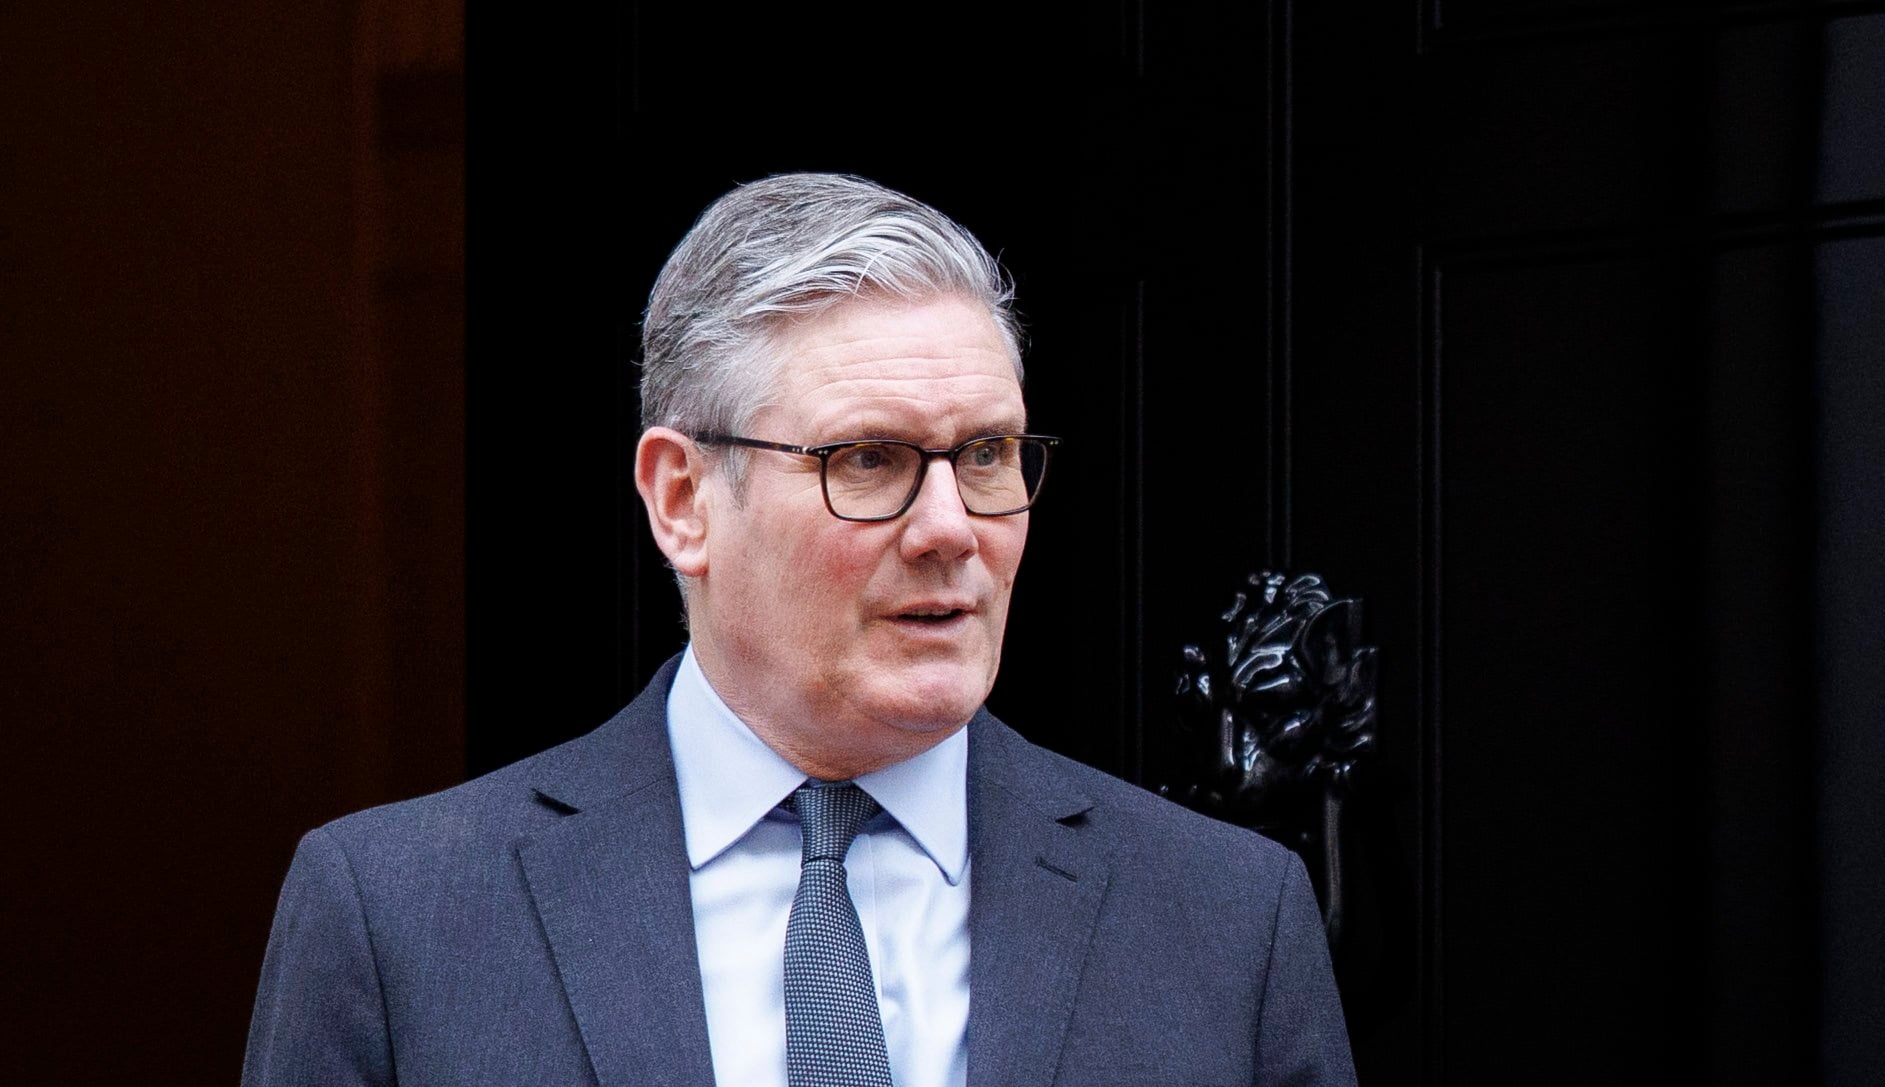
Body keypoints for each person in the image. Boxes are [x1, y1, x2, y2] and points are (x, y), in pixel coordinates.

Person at [242, 172, 1357, 1086]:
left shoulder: (1225, 921)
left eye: (985, 456)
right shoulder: (399, 916)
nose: (949, 528)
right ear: (682, 498)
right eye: (867, 459)